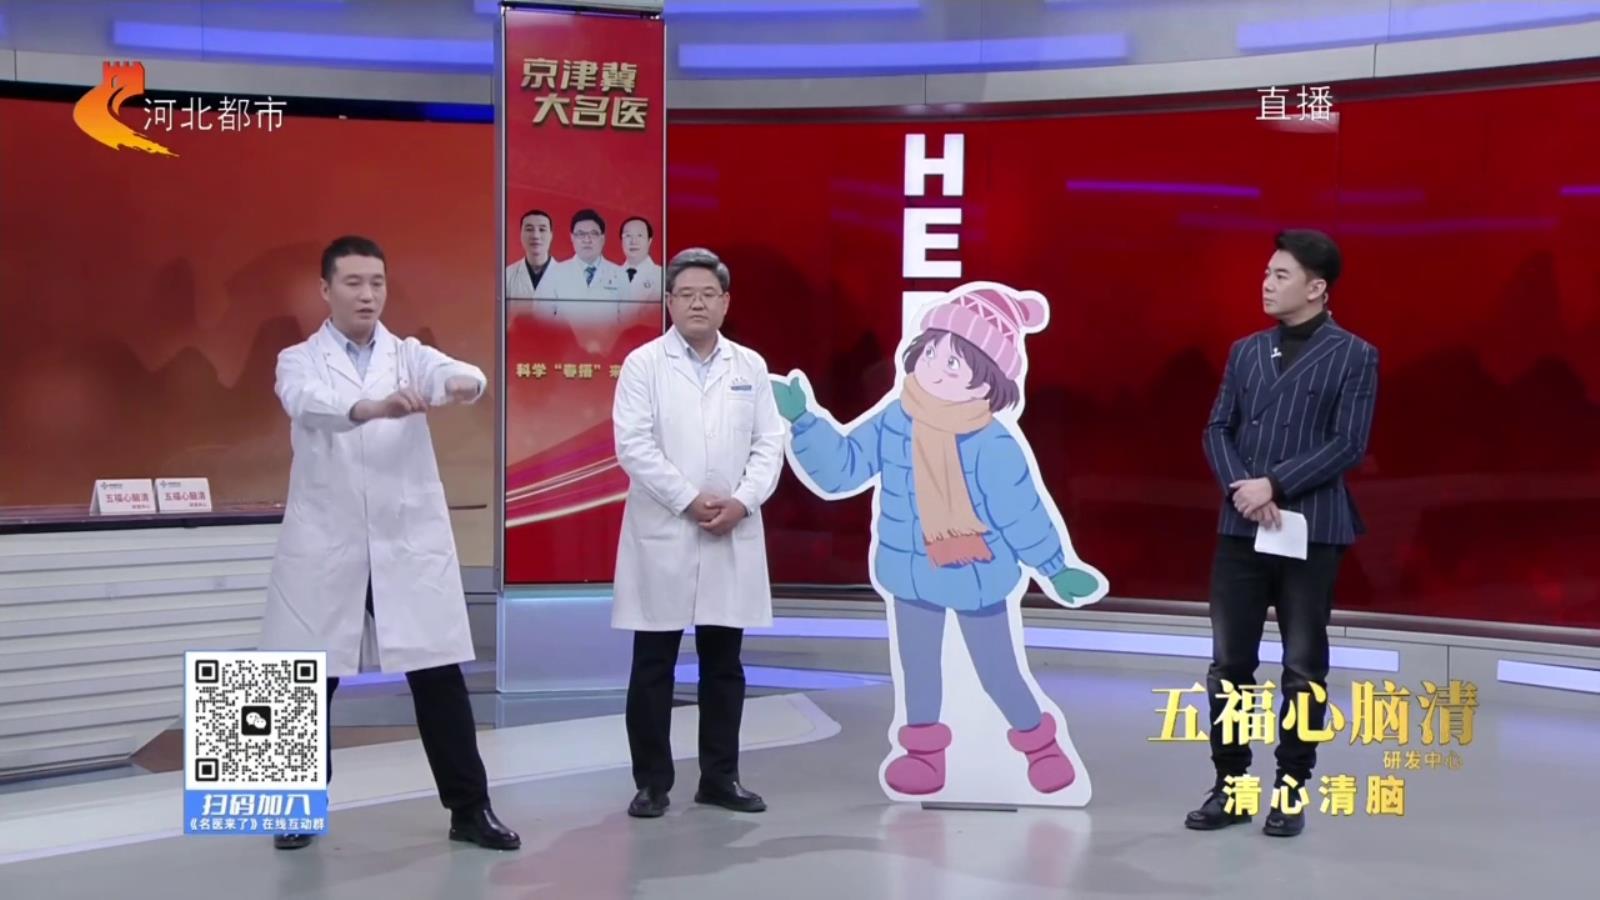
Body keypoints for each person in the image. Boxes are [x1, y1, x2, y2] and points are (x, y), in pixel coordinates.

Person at [258, 235, 521, 852]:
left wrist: (463, 384)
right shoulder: (298, 360)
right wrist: (370, 407)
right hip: (326, 542)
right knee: (299, 674)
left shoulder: (409, 355)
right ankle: (288, 806)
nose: (367, 294)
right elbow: (308, 405)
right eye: (353, 282)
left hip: (404, 541)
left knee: (438, 674)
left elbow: (460, 373)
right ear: (325, 290)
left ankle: (470, 809)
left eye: (377, 282)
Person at [1190, 229, 1379, 838]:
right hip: (1240, 528)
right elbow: (1217, 429)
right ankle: (1232, 788)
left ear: (1316, 287)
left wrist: (1274, 483)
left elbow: (1348, 443)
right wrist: (1242, 489)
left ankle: (1291, 791)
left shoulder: (1355, 355)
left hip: (1310, 530)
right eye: (1267, 273)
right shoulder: (1247, 351)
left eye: (1280, 275)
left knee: (1302, 668)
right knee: (1230, 666)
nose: (1266, 284)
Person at [610, 247, 785, 819]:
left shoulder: (750, 366)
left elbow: (768, 444)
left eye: (708, 294)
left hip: (731, 529)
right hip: (664, 530)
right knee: (653, 664)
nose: (697, 304)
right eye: (685, 294)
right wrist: (687, 499)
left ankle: (720, 778)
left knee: (724, 665)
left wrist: (743, 501)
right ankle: (651, 783)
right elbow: (633, 445)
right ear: (668, 301)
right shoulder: (643, 364)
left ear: (726, 302)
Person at [534, 208, 625, 300]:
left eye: (593, 234)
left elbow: (629, 309)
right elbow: (540, 308)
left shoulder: (620, 274)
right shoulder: (553, 274)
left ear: (602, 239)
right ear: (572, 238)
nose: (587, 240)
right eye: (581, 234)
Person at [505, 209, 554, 299]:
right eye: (529, 229)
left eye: (542, 229)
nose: (535, 236)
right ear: (521, 234)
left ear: (551, 235)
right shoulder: (507, 275)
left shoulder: (567, 277)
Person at [618, 216, 662, 302]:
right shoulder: (611, 275)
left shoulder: (662, 276)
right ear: (621, 241)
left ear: (649, 241)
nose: (633, 241)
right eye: (628, 235)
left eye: (640, 235)